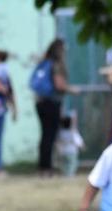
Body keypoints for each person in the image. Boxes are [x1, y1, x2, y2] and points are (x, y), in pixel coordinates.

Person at [33, 39, 70, 178]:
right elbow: (59, 85)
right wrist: (73, 90)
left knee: (44, 135)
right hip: (52, 103)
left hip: (40, 102)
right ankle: (47, 167)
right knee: (50, 135)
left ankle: (42, 167)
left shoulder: (43, 62)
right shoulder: (56, 65)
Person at [55, 112, 85, 177]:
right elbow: (78, 142)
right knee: (72, 164)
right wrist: (82, 147)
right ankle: (70, 175)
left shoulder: (60, 133)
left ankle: (65, 174)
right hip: (72, 152)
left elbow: (57, 142)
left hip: (63, 152)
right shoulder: (73, 132)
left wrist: (58, 150)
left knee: (64, 164)